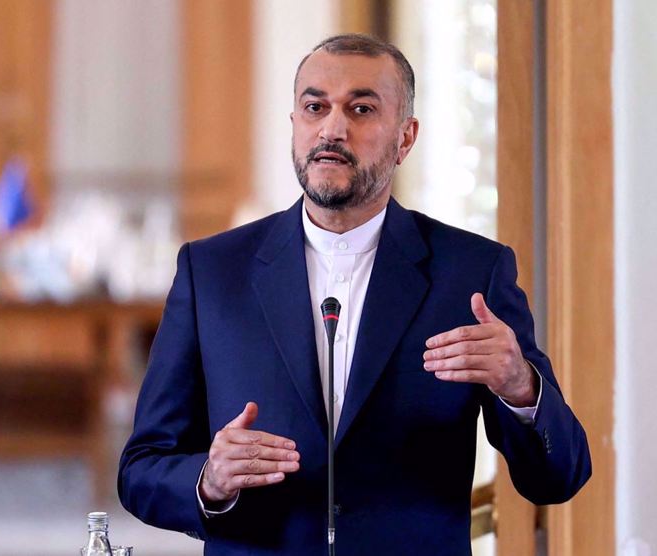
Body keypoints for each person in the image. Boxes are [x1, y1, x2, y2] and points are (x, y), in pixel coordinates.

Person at [118, 34, 591, 555]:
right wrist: (209, 480)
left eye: (361, 108)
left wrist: (521, 386)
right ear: (294, 125)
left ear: (405, 138)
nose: (332, 128)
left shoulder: (472, 272)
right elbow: (142, 469)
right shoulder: (211, 271)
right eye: (314, 107)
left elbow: (559, 476)